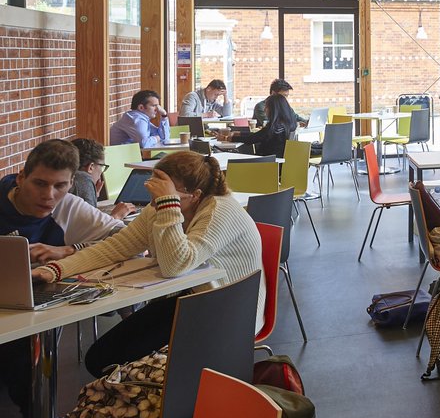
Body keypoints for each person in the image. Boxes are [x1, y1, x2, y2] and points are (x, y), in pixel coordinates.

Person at [34, 151, 266, 377]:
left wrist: (168, 204)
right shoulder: (160, 207)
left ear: (195, 195)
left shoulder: (219, 211)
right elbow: (114, 248)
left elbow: (174, 265)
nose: (152, 201)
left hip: (227, 311)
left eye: (162, 191)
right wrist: (54, 270)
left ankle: (164, 398)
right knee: (101, 358)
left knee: (108, 361)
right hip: (189, 299)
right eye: (153, 188)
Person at [0, 141, 130, 418]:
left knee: (26, 362)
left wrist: (69, 250)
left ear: (71, 183)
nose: (49, 195)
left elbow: (127, 239)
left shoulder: (69, 207)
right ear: (21, 177)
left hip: (31, 312)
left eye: (60, 186)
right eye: (40, 183)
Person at [69, 138, 135, 218]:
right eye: (102, 166)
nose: (101, 172)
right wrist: (116, 216)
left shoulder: (68, 176)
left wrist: (92, 197)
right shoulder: (83, 179)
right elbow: (90, 224)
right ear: (91, 167)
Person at [228, 91, 297, 158]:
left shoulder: (274, 128)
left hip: (265, 161)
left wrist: (230, 138)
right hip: (275, 160)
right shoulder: (286, 125)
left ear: (274, 109)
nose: (264, 110)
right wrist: (239, 133)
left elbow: (251, 139)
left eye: (266, 107)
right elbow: (259, 135)